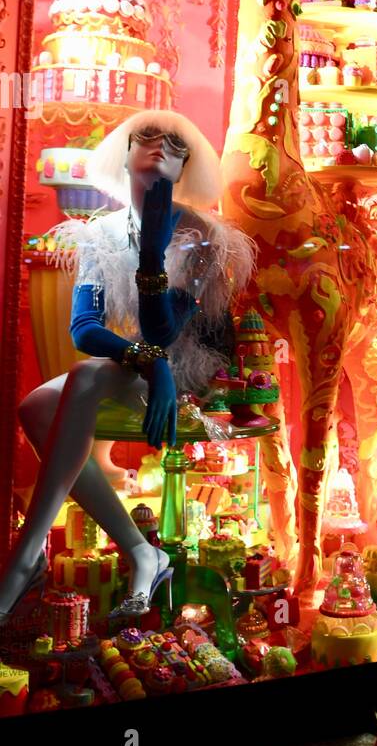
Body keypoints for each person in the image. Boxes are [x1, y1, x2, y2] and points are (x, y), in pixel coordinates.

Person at [0, 112, 254, 625]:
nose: (161, 146)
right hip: (138, 363)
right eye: (148, 137)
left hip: (189, 370)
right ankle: (142, 551)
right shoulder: (100, 232)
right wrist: (143, 360)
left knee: (87, 377)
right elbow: (84, 329)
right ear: (126, 151)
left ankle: (25, 557)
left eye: (176, 143)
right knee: (35, 408)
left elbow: (166, 331)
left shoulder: (202, 235)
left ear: (186, 165)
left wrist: (155, 255)